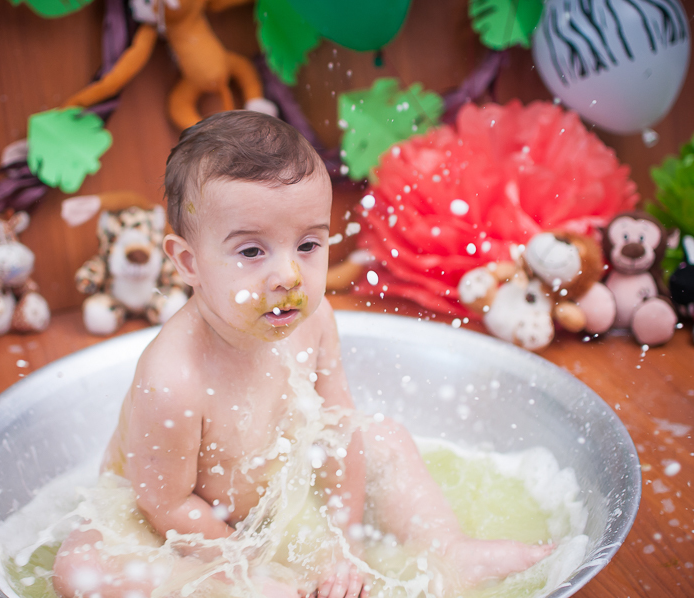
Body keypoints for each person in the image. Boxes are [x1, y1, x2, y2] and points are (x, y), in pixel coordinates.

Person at [52, 111, 552, 598]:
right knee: (80, 572)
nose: (289, 276)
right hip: (170, 521)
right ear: (189, 262)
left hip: (269, 499)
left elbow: (337, 432)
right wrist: (244, 570)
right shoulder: (172, 377)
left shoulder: (312, 322)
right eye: (251, 251)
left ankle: (450, 549)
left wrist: (342, 546)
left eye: (308, 245)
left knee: (384, 439)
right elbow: (165, 504)